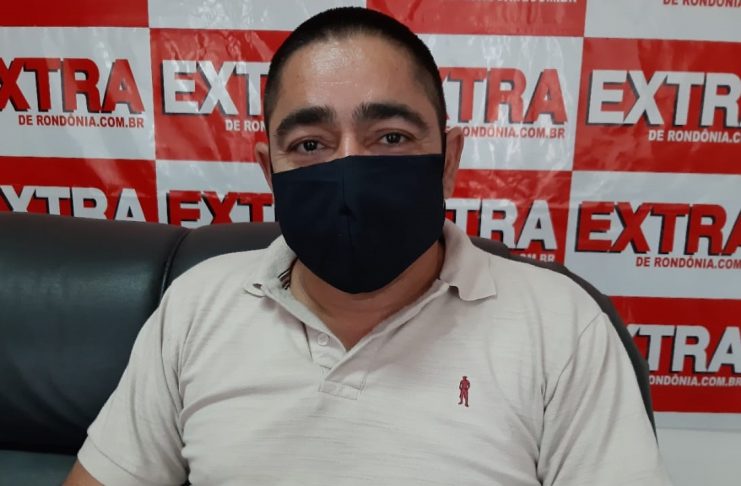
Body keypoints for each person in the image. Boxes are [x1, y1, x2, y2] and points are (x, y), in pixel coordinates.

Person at [64, 7, 671, 485]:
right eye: (310, 145)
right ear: (269, 171)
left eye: (391, 137)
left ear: (448, 162)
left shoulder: (560, 326)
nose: (350, 170)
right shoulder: (197, 306)